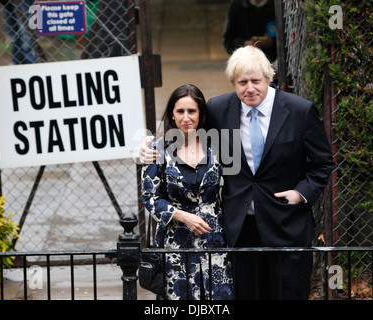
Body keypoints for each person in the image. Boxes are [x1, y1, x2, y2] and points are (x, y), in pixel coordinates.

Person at [141, 46, 334, 300]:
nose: (249, 88)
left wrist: (300, 193)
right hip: (238, 229)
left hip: (287, 225)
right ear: (233, 82)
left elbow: (323, 163)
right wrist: (148, 145)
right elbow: (187, 130)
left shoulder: (300, 111)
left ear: (269, 77)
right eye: (242, 82)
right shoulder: (219, 109)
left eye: (256, 81)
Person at [141, 84, 233, 300]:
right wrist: (181, 216)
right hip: (175, 240)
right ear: (172, 114)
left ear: (200, 114)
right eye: (180, 111)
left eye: (191, 111)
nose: (185, 117)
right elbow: (150, 196)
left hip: (214, 238)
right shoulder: (158, 149)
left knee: (216, 299)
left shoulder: (218, 147)